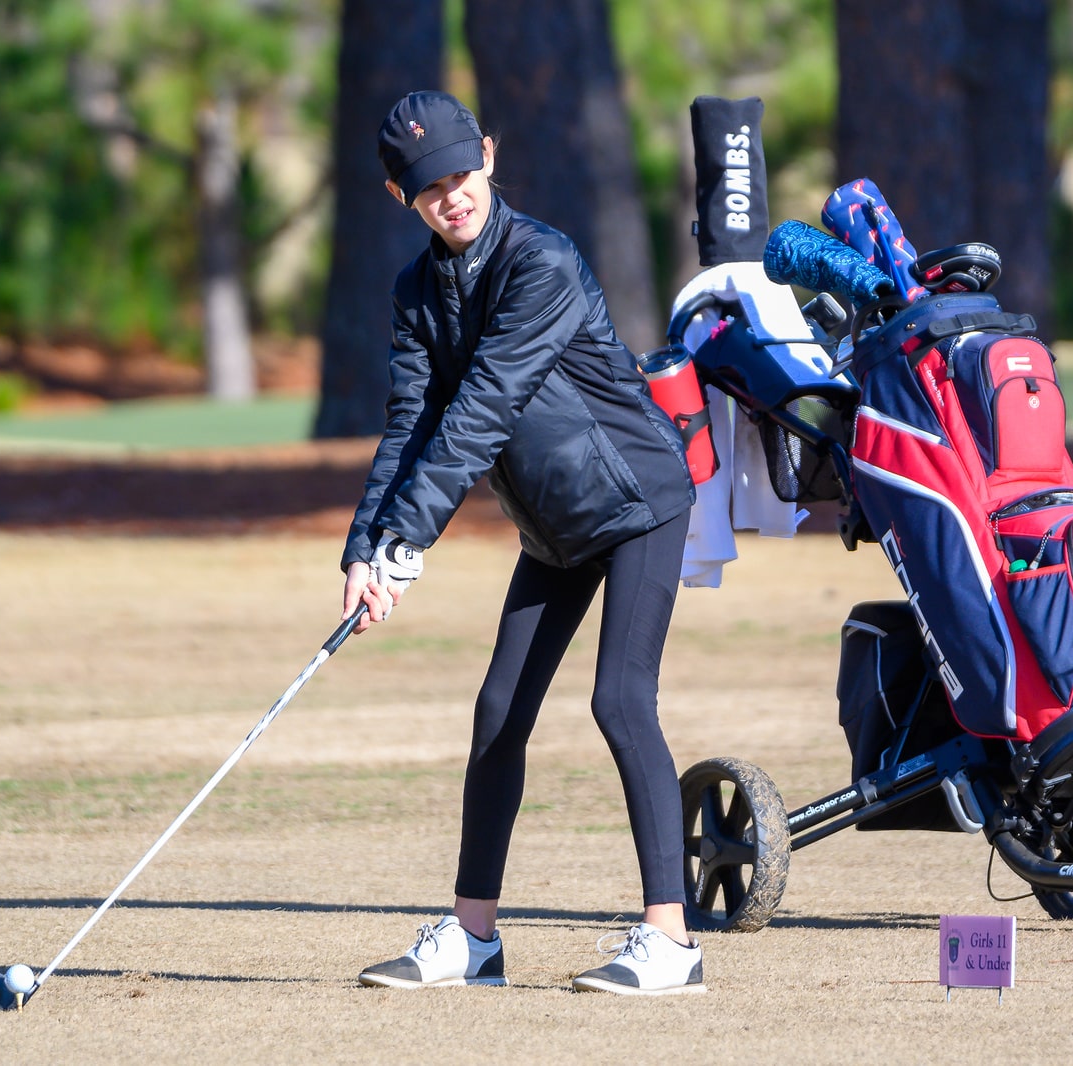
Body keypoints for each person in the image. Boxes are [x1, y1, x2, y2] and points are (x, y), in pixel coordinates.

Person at [340, 90, 704, 996]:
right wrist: (365, 547)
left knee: (619, 702)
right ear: (401, 198)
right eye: (428, 188)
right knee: (498, 715)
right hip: (555, 527)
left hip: (638, 503)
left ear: (489, 158)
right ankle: (474, 940)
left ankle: (671, 944)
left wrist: (411, 540)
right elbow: (410, 425)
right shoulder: (415, 292)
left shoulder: (540, 261)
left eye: (460, 174)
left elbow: (482, 409)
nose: (451, 196)